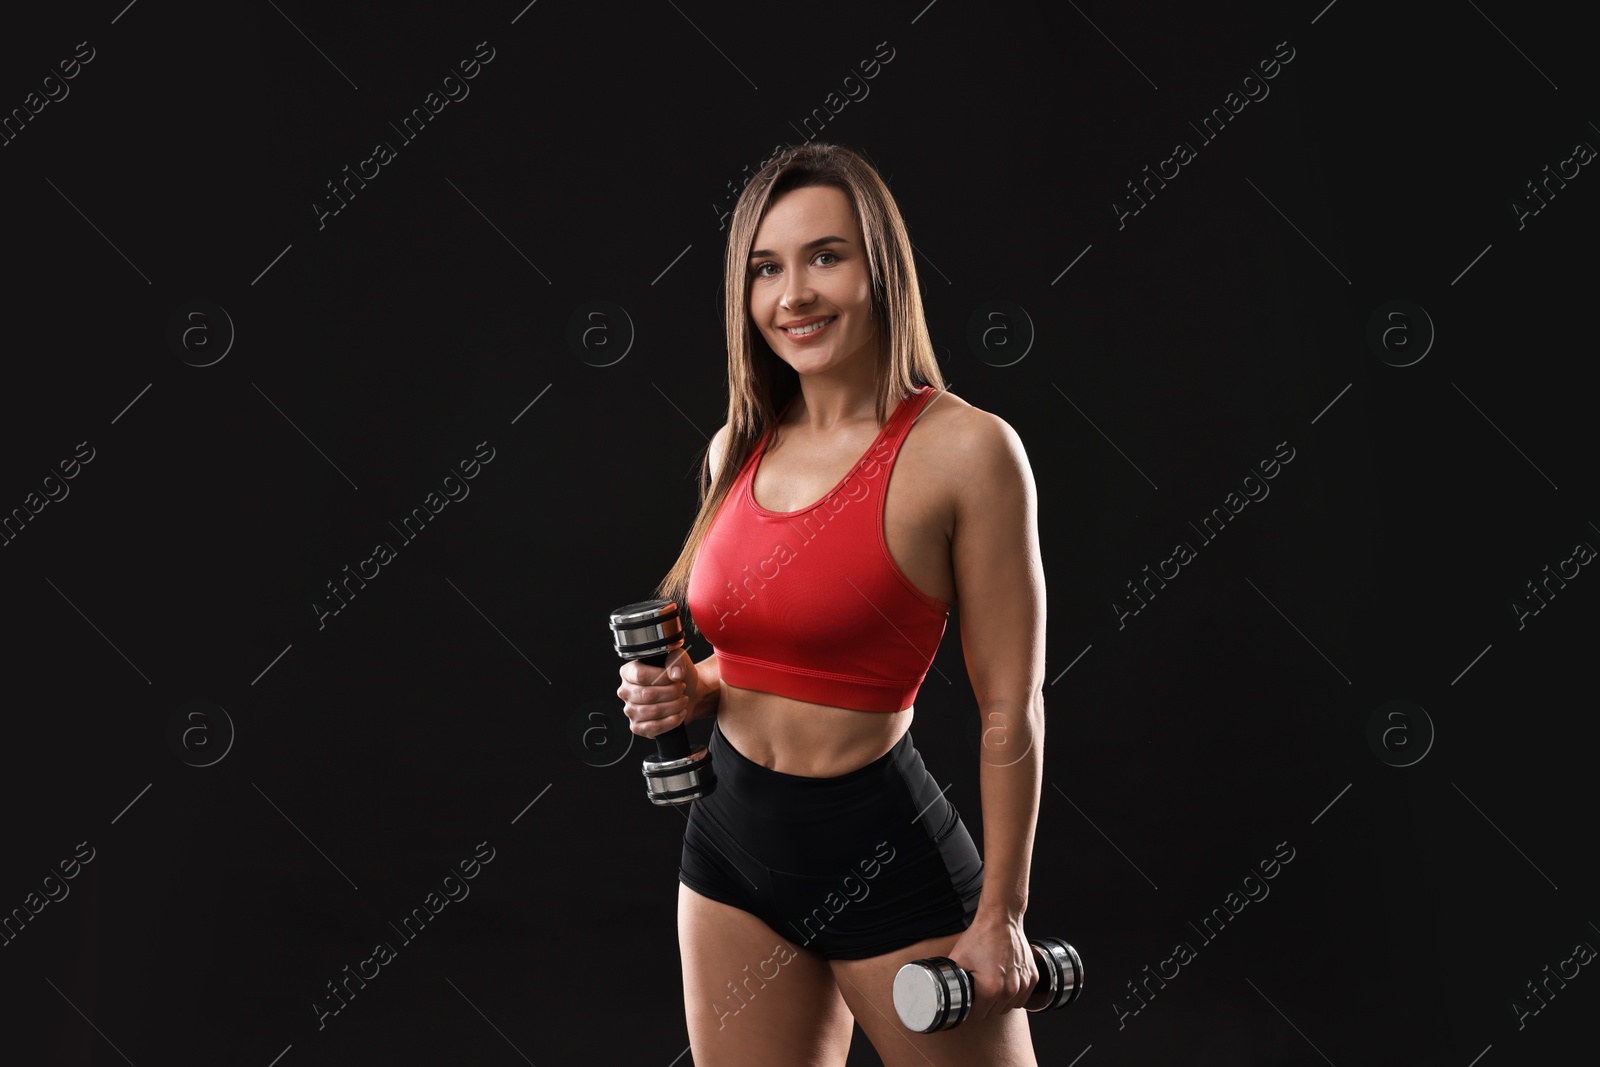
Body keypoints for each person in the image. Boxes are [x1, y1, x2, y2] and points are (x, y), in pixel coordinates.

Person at [617, 142, 1047, 1067]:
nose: (793, 295)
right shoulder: (736, 444)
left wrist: (1002, 913)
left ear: (881, 266)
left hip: (881, 853)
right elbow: (783, 643)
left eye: (825, 256)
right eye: (765, 268)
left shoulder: (968, 452)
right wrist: (695, 687)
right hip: (728, 847)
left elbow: (1011, 700)